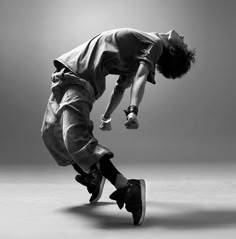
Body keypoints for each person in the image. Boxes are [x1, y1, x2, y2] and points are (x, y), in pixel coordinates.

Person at [41, 28, 195, 226]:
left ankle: (128, 188)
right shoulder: (138, 49)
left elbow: (140, 77)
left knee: (76, 140)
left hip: (79, 80)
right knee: (51, 135)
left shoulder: (155, 44)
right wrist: (106, 116)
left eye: (183, 43)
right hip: (63, 77)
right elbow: (120, 88)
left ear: (172, 50)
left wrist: (133, 110)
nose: (182, 37)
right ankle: (93, 176)